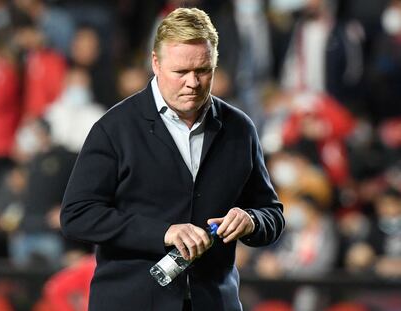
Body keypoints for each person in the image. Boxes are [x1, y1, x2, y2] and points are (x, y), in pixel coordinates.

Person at [60, 7, 284, 311]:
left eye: (203, 70)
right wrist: (163, 232)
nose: (192, 82)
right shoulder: (115, 128)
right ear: (155, 63)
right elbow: (76, 214)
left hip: (214, 302)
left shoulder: (239, 129)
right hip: (131, 303)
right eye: (180, 72)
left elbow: (272, 214)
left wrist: (252, 221)